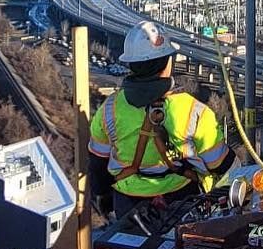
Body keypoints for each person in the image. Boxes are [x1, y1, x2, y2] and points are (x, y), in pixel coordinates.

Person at [89, 19, 231, 227]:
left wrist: (102, 196)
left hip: (127, 203)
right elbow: (221, 164)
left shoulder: (109, 110)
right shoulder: (194, 111)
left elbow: (98, 164)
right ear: (167, 63)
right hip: (182, 200)